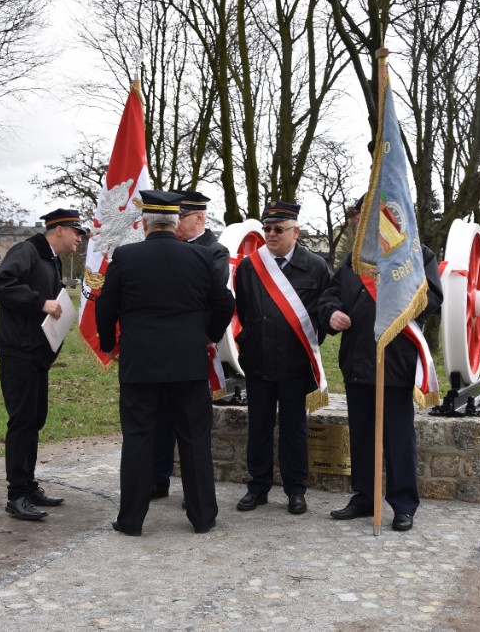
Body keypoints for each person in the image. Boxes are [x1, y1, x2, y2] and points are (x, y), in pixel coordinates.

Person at [95, 190, 235, 536]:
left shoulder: (125, 257)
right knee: (194, 439)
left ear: (144, 223)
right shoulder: (200, 258)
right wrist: (209, 335)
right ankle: (203, 517)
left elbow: (104, 307)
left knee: (139, 438)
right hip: (188, 364)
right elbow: (225, 303)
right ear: (175, 223)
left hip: (140, 364)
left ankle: (131, 520)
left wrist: (111, 344)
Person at [317, 199, 443, 532]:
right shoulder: (355, 259)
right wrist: (331, 313)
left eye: (360, 216)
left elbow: (433, 297)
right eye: (356, 217)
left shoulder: (416, 253)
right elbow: (331, 295)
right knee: (361, 436)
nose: (356, 221)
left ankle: (403, 505)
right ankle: (363, 497)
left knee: (398, 439)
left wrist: (399, 297)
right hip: (358, 361)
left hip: (396, 362)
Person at [232, 200, 332, 515]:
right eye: (267, 229)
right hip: (258, 361)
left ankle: (295, 490)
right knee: (258, 428)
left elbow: (320, 316)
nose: (271, 234)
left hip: (295, 364)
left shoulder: (315, 266)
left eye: (278, 229)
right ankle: (258, 487)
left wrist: (305, 348)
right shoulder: (250, 266)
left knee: (294, 428)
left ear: (295, 231)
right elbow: (245, 312)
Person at [0, 208, 87, 521]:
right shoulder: (27, 251)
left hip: (36, 352)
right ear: (58, 230)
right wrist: (39, 302)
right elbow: (1, 286)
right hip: (18, 351)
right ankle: (16, 495)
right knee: (22, 421)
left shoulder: (50, 259)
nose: (79, 237)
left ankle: (28, 486)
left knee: (34, 419)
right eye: (75, 231)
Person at [148, 189, 230, 501]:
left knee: (190, 425)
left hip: (194, 347)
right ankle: (157, 478)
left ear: (199, 218)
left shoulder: (215, 251)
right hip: (160, 349)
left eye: (180, 216)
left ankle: (193, 493)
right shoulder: (166, 248)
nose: (175, 222)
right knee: (159, 419)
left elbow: (217, 300)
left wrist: (208, 334)